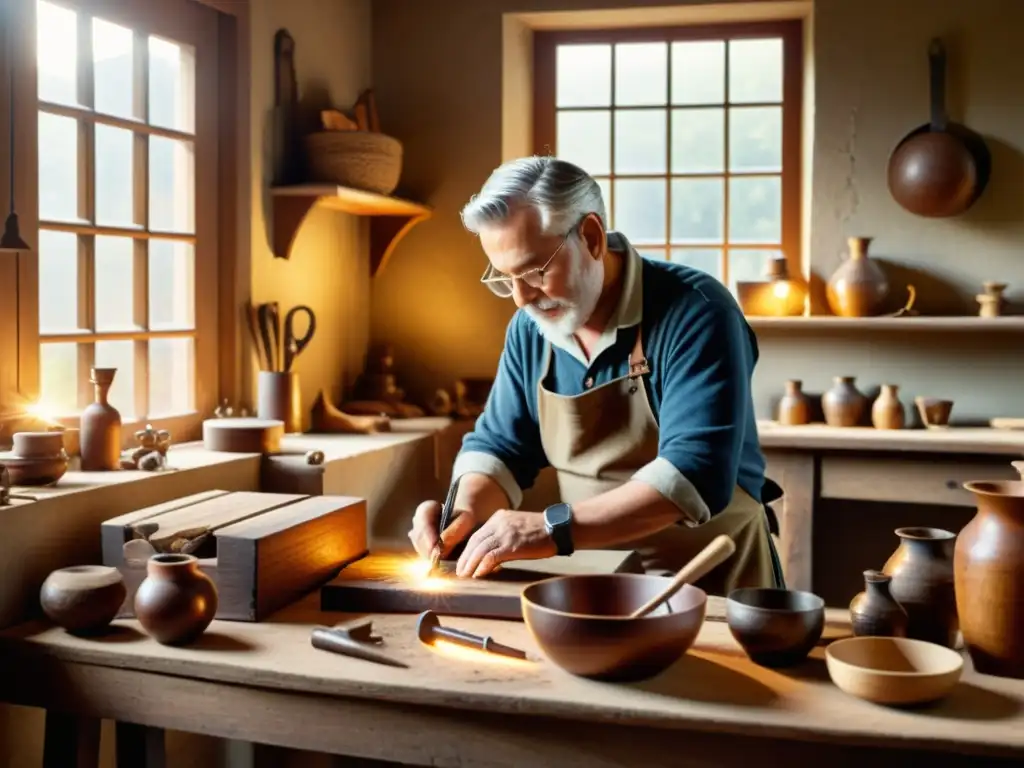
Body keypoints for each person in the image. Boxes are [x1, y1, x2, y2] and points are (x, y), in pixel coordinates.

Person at [408, 156, 784, 595]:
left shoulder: (698, 311)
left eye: (534, 271)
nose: (520, 298)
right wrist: (464, 514)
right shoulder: (531, 330)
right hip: (597, 585)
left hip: (714, 585)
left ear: (590, 237)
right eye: (505, 278)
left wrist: (551, 530)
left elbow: (694, 473)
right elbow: (502, 448)